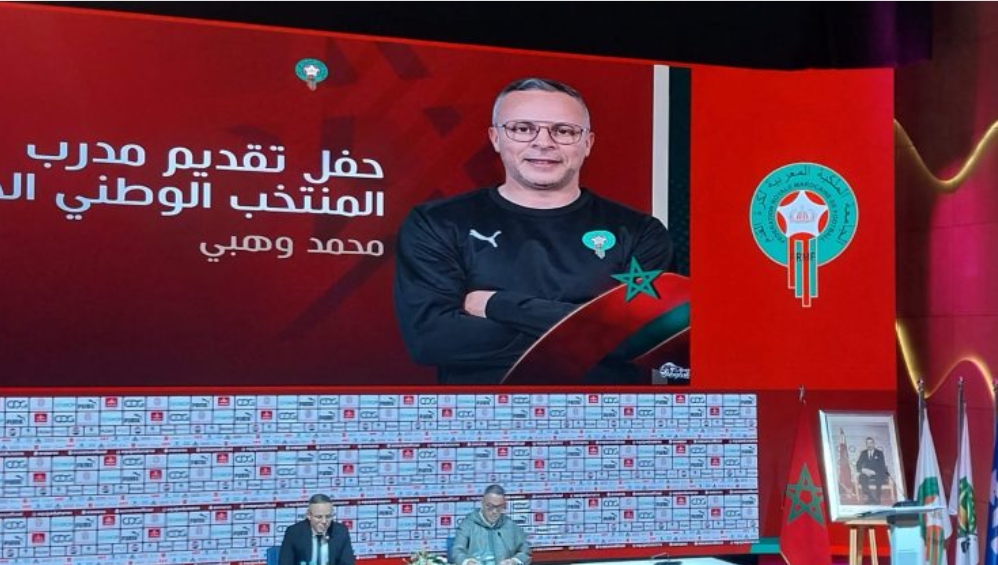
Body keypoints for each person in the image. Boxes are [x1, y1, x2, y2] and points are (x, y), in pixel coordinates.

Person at [394, 77, 674, 384]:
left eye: (563, 131)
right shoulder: (437, 222)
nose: (543, 142)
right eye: (522, 128)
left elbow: (647, 341)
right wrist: (593, 333)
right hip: (484, 413)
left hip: (604, 413)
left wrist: (495, 304)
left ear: (588, 143)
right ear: (495, 138)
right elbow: (432, 339)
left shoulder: (640, 231)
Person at [452, 485, 531, 565]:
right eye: (490, 506)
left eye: (499, 507)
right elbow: (457, 551)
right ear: (482, 503)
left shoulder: (511, 526)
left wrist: (513, 561)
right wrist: (467, 562)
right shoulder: (468, 525)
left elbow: (525, 552)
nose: (494, 511)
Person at [279, 494, 355, 565]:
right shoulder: (294, 533)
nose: (324, 521)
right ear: (309, 515)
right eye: (319, 517)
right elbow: (285, 563)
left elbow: (347, 563)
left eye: (328, 516)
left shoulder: (341, 532)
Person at [855, 437, 890, 504]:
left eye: (871, 443)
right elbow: (858, 464)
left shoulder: (879, 453)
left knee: (879, 478)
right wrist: (863, 470)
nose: (869, 445)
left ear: (874, 444)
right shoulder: (863, 453)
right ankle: (870, 497)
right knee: (862, 477)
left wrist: (874, 472)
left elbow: (882, 465)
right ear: (866, 444)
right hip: (867, 473)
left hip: (877, 473)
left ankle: (877, 498)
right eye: (867, 443)